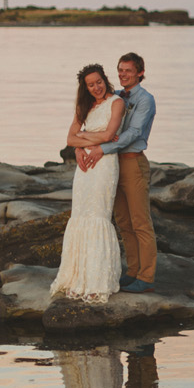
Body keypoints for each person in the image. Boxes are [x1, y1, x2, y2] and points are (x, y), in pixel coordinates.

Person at [76, 52, 157, 293]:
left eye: (128, 71)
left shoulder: (146, 100)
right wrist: (79, 147)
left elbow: (132, 133)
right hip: (112, 166)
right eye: (120, 70)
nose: (123, 74)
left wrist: (102, 148)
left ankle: (146, 277)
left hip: (132, 163)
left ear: (140, 73)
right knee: (123, 221)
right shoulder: (117, 97)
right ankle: (132, 272)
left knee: (141, 222)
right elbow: (94, 124)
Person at [51, 64, 126, 301]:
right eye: (91, 84)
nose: (96, 87)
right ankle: (76, 278)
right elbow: (69, 138)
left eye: (99, 82)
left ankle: (97, 280)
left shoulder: (117, 102)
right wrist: (80, 144)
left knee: (98, 217)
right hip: (84, 167)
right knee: (81, 215)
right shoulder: (83, 106)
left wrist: (82, 138)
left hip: (104, 163)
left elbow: (108, 136)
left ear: (105, 79)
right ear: (85, 87)